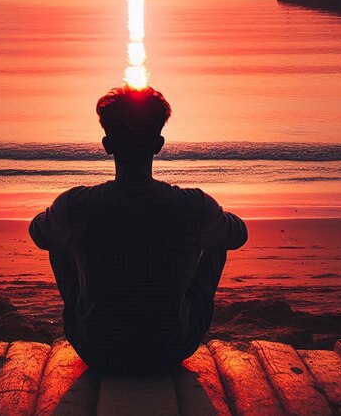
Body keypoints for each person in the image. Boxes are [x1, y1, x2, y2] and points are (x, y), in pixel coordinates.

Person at [29, 86, 247, 375]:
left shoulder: (77, 204)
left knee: (58, 236)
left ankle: (91, 309)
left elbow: (39, 234)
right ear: (159, 144)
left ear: (107, 145)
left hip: (97, 349)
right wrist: (204, 222)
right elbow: (238, 235)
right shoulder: (192, 205)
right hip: (170, 348)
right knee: (216, 239)